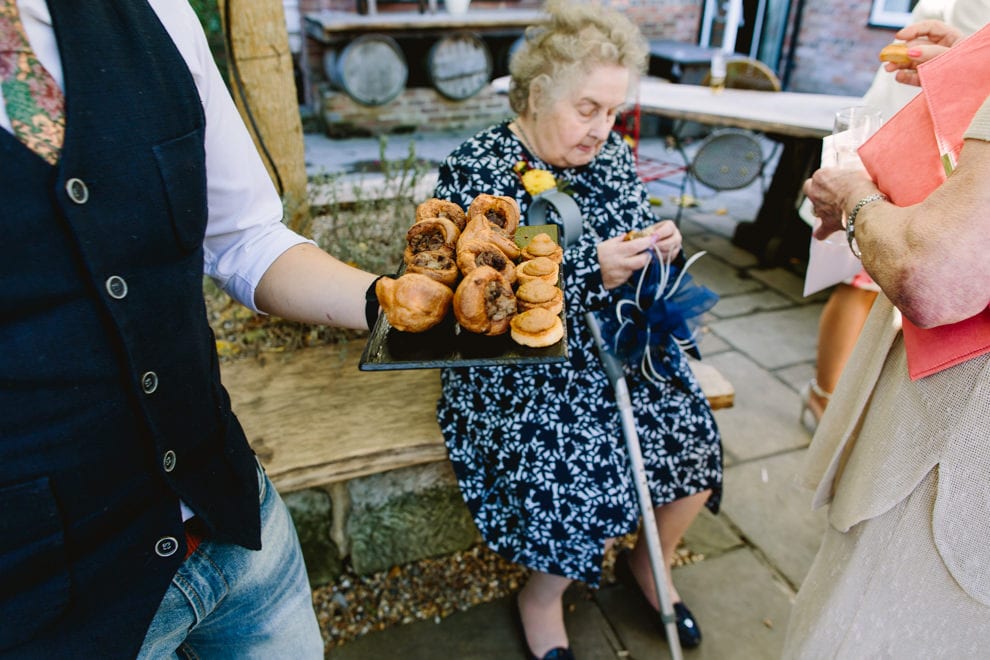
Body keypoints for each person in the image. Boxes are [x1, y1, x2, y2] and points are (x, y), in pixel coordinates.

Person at [1, 0, 381, 656]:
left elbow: (245, 238)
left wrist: (393, 307)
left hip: (237, 527)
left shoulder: (158, 11)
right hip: (53, 602)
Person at [432, 2, 722, 658]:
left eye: (614, 112)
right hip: (518, 364)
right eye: (587, 109)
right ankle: (540, 599)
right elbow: (475, 302)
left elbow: (630, 224)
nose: (602, 130)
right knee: (579, 464)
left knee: (693, 436)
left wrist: (657, 242)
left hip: (613, 344)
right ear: (537, 95)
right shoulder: (479, 168)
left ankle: (651, 563)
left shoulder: (611, 155)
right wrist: (590, 269)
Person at [784, 20, 990, 656]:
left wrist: (855, 198)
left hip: (958, 448)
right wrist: (970, 68)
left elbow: (933, 273)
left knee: (863, 624)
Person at [802, 0, 990, 431]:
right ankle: (824, 396)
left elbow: (931, 279)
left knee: (879, 279)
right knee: (860, 280)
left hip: (935, 172)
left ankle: (835, 399)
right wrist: (961, 64)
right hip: (901, 144)